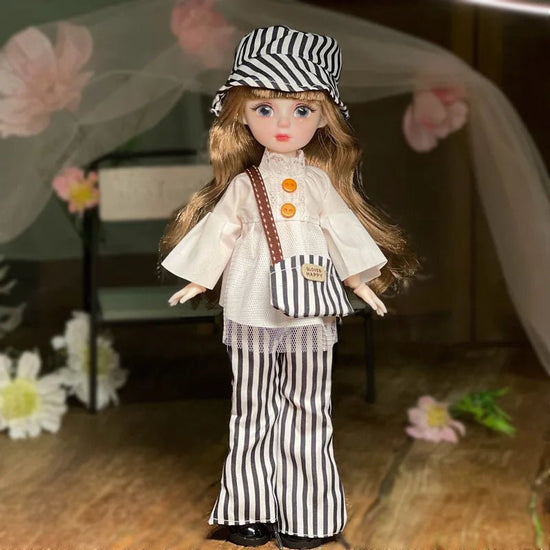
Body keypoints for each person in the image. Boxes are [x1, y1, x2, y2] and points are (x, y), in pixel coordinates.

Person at [160, 25, 417, 549]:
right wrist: (199, 277)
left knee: (309, 407)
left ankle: (309, 517)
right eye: (264, 108)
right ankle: (248, 512)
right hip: (250, 303)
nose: (282, 123)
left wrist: (359, 280)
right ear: (241, 113)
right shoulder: (245, 184)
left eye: (301, 110)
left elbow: (342, 231)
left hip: (310, 309)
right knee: (251, 408)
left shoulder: (319, 183)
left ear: (324, 118)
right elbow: (222, 230)